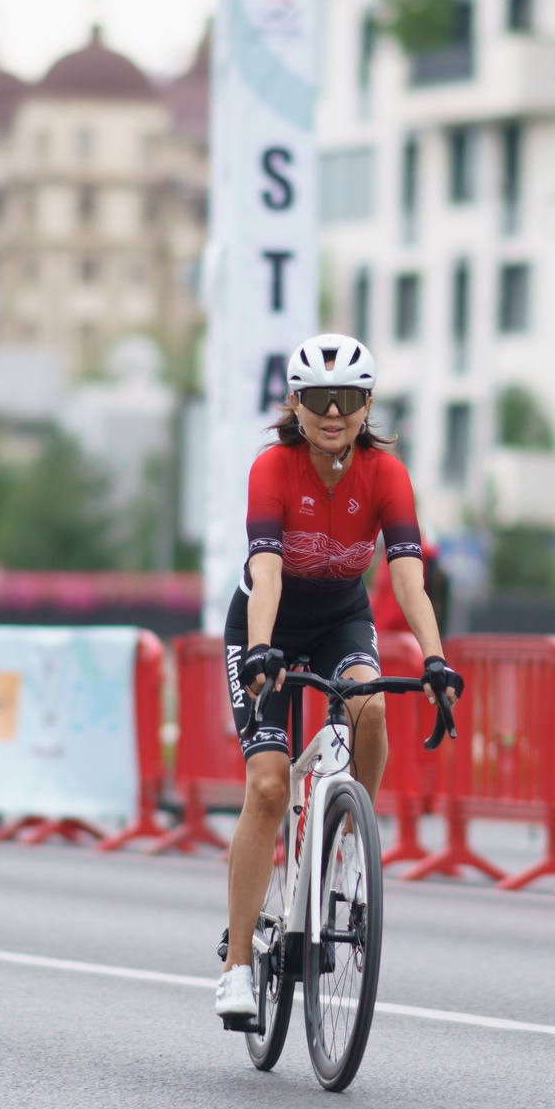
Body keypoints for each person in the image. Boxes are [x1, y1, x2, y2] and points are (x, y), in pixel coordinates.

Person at [214, 333, 462, 1028]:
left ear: (367, 404)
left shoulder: (386, 474)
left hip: (341, 620)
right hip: (267, 621)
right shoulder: (273, 469)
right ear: (295, 404)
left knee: (372, 713)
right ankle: (237, 965)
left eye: (347, 399)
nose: (333, 412)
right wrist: (262, 651)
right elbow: (265, 571)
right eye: (318, 400)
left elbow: (408, 579)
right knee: (267, 786)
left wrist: (436, 659)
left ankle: (348, 843)